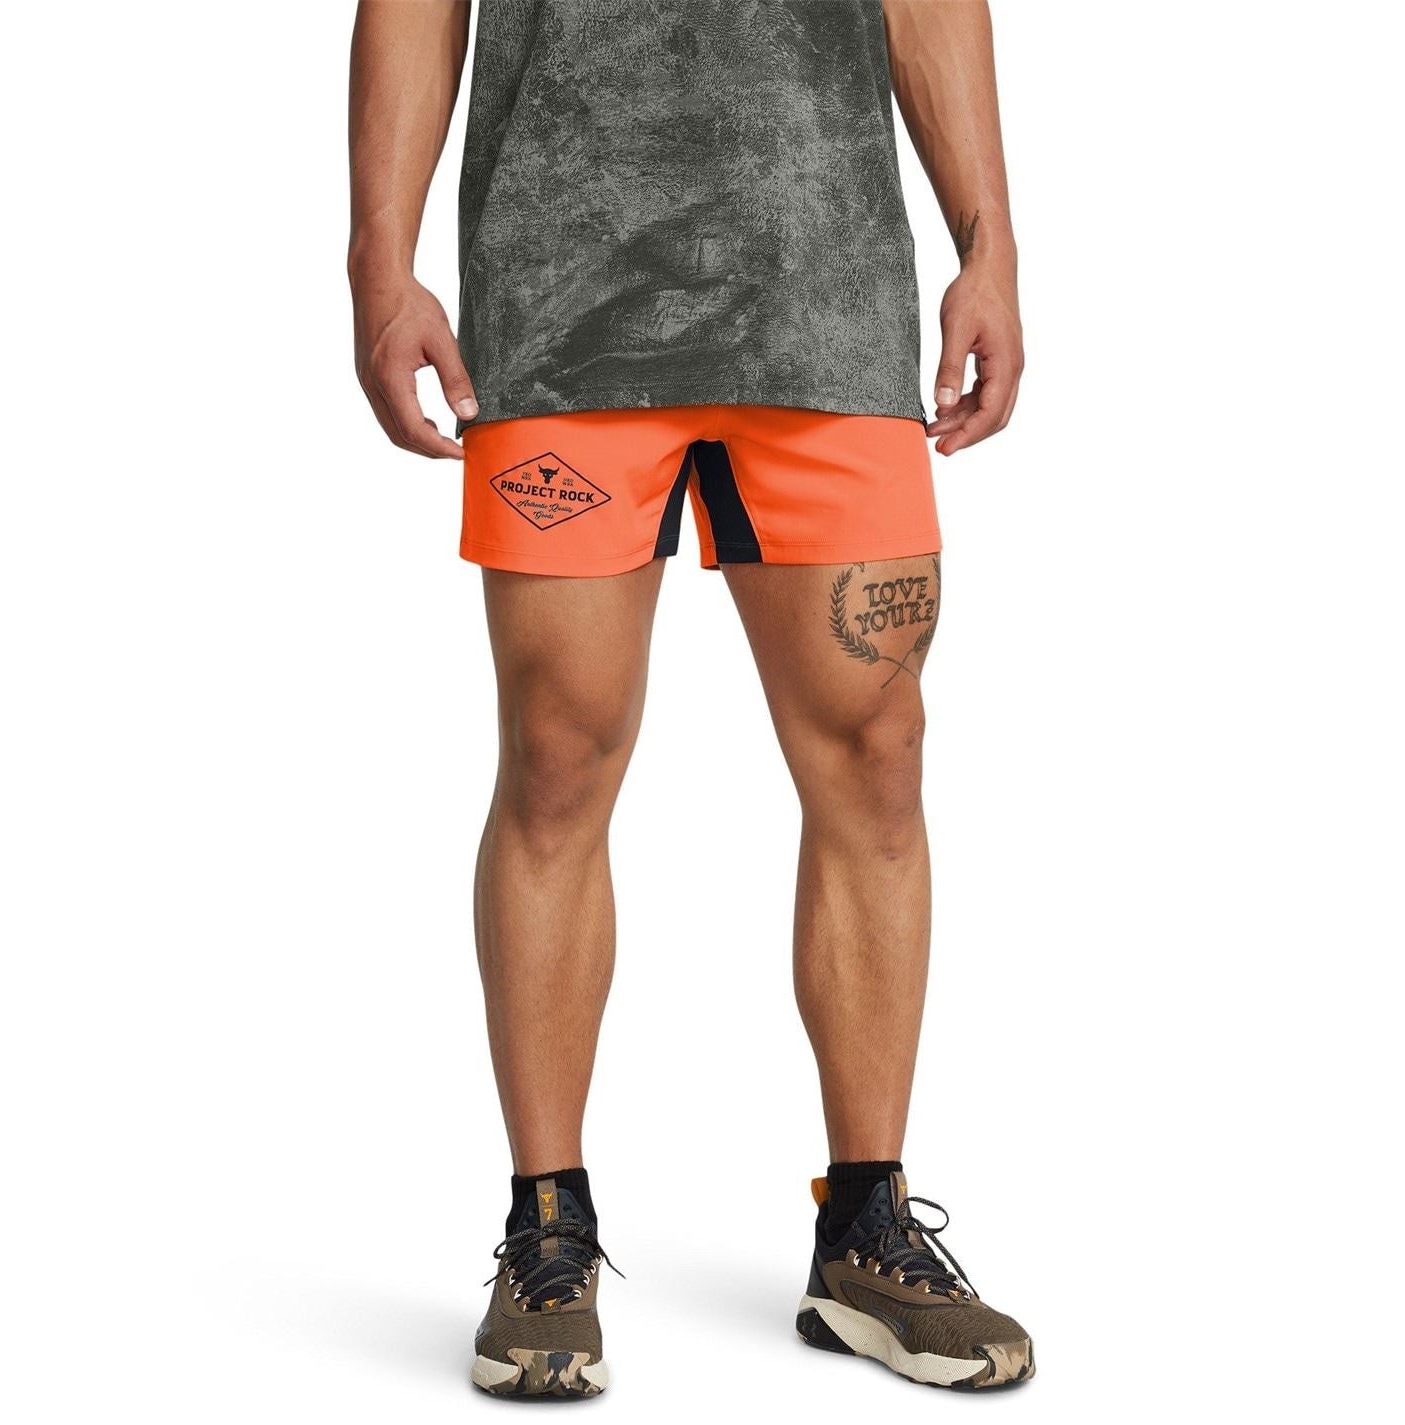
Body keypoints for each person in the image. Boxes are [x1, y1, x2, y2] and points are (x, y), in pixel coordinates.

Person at [348, 0, 1029, 1396]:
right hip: (560, 299)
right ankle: (547, 1229)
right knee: (557, 754)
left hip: (824, 291)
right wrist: (380, 259)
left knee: (878, 750)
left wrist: (989, 244)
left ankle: (866, 1227)